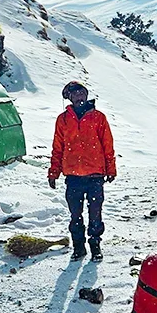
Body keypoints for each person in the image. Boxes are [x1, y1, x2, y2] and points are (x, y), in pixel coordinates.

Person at [47, 81, 116, 262]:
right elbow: (58, 148)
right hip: (73, 177)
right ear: (69, 98)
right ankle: (79, 247)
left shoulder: (98, 117)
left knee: (95, 213)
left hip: (95, 175)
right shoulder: (62, 120)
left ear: (86, 95)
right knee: (75, 214)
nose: (79, 97)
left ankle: (95, 245)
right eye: (74, 94)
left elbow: (107, 144)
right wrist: (54, 172)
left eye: (81, 93)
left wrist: (111, 168)